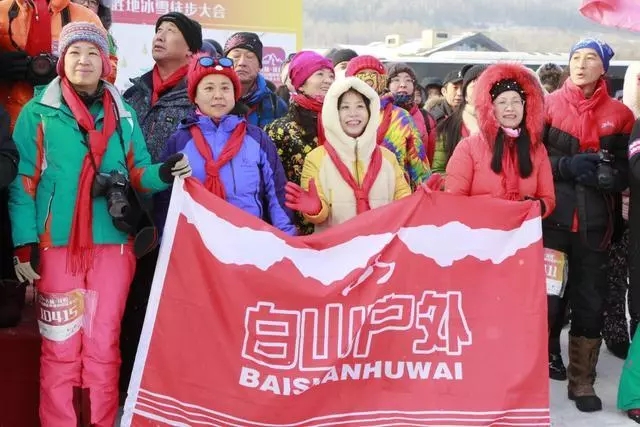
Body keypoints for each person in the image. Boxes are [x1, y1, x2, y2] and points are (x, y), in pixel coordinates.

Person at [8, 22, 191, 426]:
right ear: (61, 61)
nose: (84, 61)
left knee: (104, 345)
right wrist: (24, 243)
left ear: (106, 63)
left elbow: (137, 172)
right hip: (56, 246)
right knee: (59, 346)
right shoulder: (38, 112)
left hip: (114, 245)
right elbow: (24, 183)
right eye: (74, 53)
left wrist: (164, 172)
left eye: (92, 54)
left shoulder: (123, 113)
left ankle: (102, 421)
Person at [543, 38, 634, 413]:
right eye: (575, 58)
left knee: (590, 301)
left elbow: (630, 166)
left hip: (597, 226)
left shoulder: (621, 114)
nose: (581, 65)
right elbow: (529, 161)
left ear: (604, 68)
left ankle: (583, 379)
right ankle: (546, 355)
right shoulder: (546, 107)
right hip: (552, 222)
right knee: (548, 298)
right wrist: (564, 166)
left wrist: (616, 177)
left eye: (590, 58)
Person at [156, 54, 296, 235]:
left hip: (248, 240)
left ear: (235, 95)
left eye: (225, 88)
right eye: (208, 88)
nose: (218, 95)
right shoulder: (180, 140)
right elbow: (165, 198)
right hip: (197, 243)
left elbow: (277, 192)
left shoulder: (256, 139)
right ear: (194, 97)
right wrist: (165, 239)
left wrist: (287, 239)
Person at [284, 77, 411, 231]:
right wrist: (315, 210)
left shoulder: (387, 157)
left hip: (381, 249)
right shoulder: (316, 158)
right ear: (334, 113)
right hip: (335, 250)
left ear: (370, 111)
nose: (353, 114)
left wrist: (421, 200)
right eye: (345, 107)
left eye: (360, 106)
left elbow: (404, 203)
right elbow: (321, 215)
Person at [445, 62, 555, 219]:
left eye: (516, 101)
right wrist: (495, 209)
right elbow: (453, 199)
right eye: (502, 102)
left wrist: (537, 207)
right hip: (479, 234)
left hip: (521, 235)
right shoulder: (468, 147)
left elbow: (548, 198)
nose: (510, 108)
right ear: (491, 108)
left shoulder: (537, 149)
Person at [0, 0, 105, 129]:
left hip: (66, 122)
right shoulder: (2, 12)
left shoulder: (85, 18)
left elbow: (107, 67)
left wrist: (70, 74)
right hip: (6, 122)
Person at [265, 51, 335, 235]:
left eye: (331, 75)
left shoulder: (341, 125)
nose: (328, 80)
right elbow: (271, 185)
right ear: (301, 83)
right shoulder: (279, 130)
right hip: (296, 227)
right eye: (320, 74)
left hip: (338, 224)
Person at [345, 55, 430, 189]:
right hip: (350, 192)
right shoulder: (340, 116)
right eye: (361, 75)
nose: (369, 80)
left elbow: (418, 164)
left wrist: (426, 189)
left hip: (395, 194)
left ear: (383, 81)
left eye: (374, 75)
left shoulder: (401, 117)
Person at [224, 32, 288, 127]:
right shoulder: (212, 98)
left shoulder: (276, 105)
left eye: (249, 57)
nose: (242, 63)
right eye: (236, 56)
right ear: (224, 62)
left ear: (259, 66)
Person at [431, 65, 486, 174]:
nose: (480, 91)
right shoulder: (447, 127)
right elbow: (439, 170)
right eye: (475, 86)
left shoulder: (506, 124)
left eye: (485, 85)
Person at [386, 62, 437, 165]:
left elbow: (430, 159)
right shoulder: (376, 114)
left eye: (408, 80)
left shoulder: (426, 118)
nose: (403, 85)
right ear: (386, 84)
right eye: (396, 80)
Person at [71, 0, 117, 84]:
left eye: (92, 2)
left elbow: (110, 72)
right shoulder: (55, 26)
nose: (86, 4)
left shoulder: (104, 36)